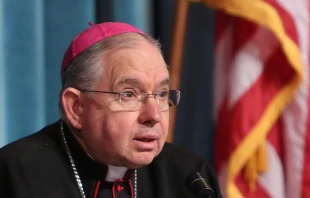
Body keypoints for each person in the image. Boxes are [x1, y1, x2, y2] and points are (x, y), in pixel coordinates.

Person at [0, 22, 222, 198]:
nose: (153, 116)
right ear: (77, 108)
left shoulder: (189, 176)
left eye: (162, 94)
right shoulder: (14, 174)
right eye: (129, 94)